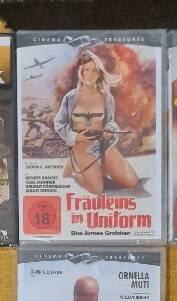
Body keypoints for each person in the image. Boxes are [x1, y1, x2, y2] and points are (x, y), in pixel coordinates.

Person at [54, 50, 139, 195]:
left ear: (100, 73)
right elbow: (59, 123)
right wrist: (76, 136)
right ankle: (73, 165)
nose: (90, 74)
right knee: (96, 189)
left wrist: (110, 131)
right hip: (81, 149)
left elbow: (110, 122)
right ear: (81, 72)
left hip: (102, 146)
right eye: (86, 70)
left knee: (131, 182)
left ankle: (100, 167)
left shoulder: (107, 97)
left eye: (94, 70)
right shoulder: (71, 97)